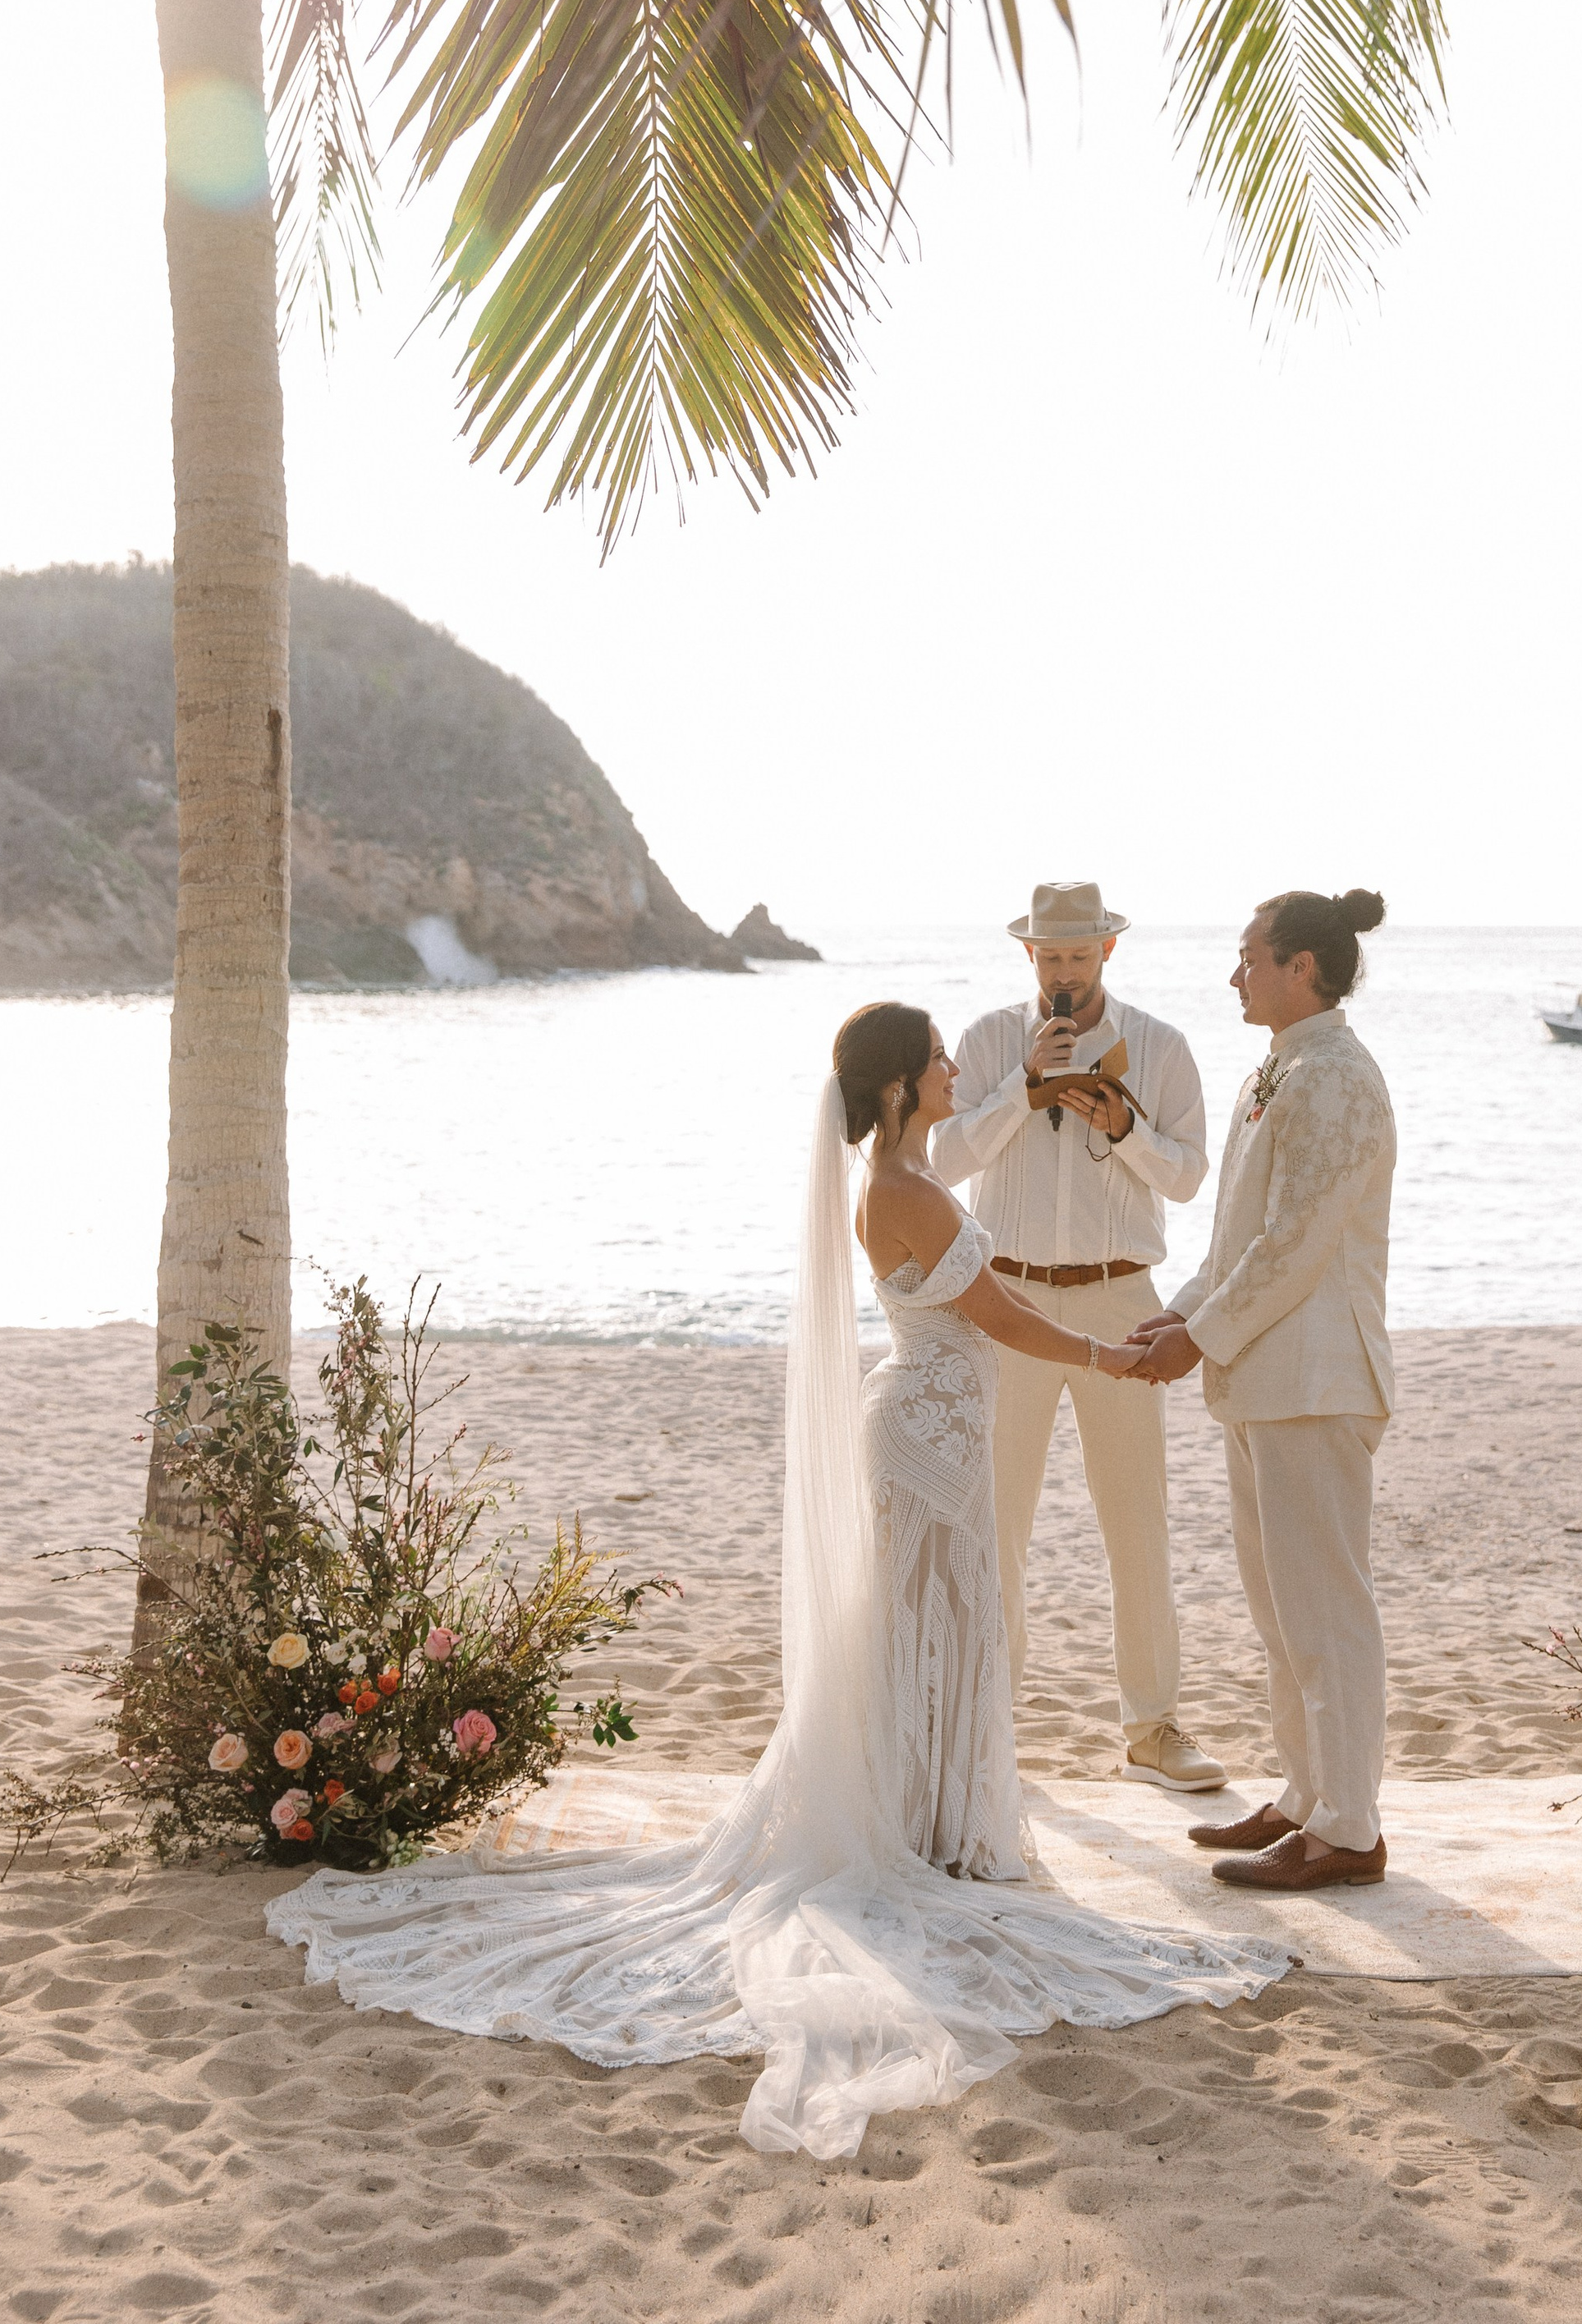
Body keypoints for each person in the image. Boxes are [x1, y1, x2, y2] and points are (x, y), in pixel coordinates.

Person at [266, 1003, 1285, 2160]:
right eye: (943, 1058)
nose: (960, 1068)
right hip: (930, 1425)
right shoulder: (902, 1189)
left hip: (939, 1422)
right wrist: (1114, 1353)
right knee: (932, 1619)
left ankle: (936, 1818)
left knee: (941, 1618)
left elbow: (989, 1310)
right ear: (902, 1084)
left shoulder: (907, 1177)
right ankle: (928, 1825)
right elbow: (994, 1314)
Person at [1128, 890, 1397, 1894]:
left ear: (1300, 968)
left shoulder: (1333, 1078)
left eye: (1248, 958)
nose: (1233, 975)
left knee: (1325, 1607)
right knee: (1281, 1609)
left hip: (1318, 1379)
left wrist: (1197, 1338)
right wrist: (1182, 1314)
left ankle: (1349, 1827)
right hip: (1267, 1378)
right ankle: (1303, 1798)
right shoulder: (1281, 1069)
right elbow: (1239, 1241)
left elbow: (1296, 1246)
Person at [933, 879, 1223, 1794]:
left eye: (1078, 954)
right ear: (1030, 958)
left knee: (1137, 1522)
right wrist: (1023, 1089)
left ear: (1107, 952)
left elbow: (1185, 1179)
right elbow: (941, 1162)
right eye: (1049, 955)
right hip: (1009, 1299)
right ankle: (991, 1729)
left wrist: (1126, 1125)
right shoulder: (985, 1042)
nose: (1064, 970)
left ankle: (1151, 1728)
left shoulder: (1164, 1047)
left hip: (1119, 1298)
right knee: (998, 1524)